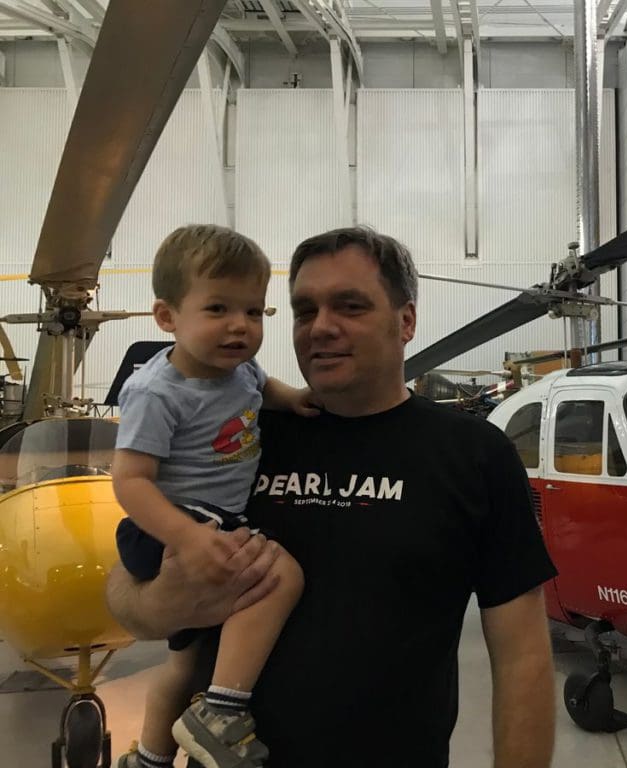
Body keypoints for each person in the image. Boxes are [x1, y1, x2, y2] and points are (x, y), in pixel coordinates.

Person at [106, 226, 558, 767]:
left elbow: (523, 657)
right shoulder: (238, 436)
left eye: (350, 306)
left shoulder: (473, 454)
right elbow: (123, 590)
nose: (321, 327)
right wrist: (162, 605)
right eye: (303, 311)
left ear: (405, 321)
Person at [112, 225, 312, 768]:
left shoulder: (239, 369)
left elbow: (262, 385)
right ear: (167, 318)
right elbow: (129, 480)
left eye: (254, 311)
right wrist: (186, 536)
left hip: (209, 518)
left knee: (186, 663)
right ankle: (222, 711)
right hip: (175, 521)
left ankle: (150, 758)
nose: (239, 326)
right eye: (218, 308)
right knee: (280, 576)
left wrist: (292, 398)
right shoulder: (159, 392)